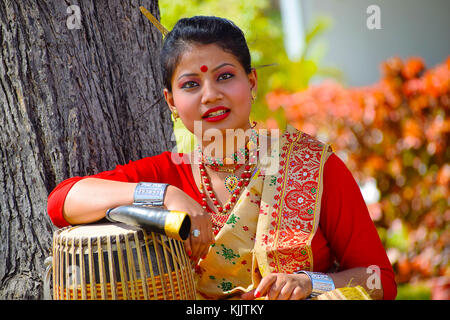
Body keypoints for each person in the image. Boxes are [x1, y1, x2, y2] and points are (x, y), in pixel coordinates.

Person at [47, 16, 397, 300]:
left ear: (251, 81)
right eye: (190, 85)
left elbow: (378, 278)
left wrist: (313, 283)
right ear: (171, 101)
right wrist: (166, 195)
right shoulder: (168, 173)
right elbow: (62, 201)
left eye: (225, 76)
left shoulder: (312, 167)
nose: (211, 95)